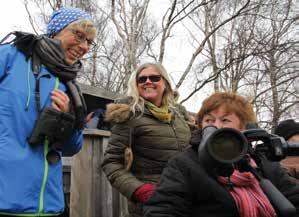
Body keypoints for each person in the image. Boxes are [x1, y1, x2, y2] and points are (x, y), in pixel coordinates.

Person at [0, 7, 96, 216]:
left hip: (49, 206)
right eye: (79, 35)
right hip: (5, 200)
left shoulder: (71, 87)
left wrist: (68, 120)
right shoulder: (11, 57)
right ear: (56, 30)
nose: (84, 46)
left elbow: (71, 148)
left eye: (89, 41)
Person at [143, 92, 299, 217]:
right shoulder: (184, 164)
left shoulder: (263, 163)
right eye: (208, 121)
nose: (216, 126)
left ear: (243, 127)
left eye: (225, 120)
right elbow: (161, 210)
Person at [101, 62, 191, 217]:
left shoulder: (180, 117)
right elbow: (111, 163)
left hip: (187, 200)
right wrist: (141, 191)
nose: (148, 82)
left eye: (154, 78)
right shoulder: (129, 116)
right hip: (153, 205)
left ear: (165, 83)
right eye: (142, 79)